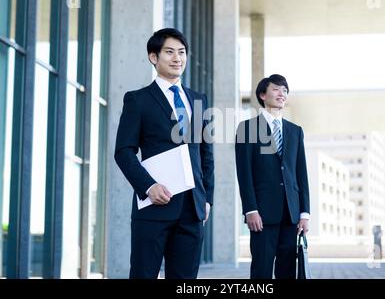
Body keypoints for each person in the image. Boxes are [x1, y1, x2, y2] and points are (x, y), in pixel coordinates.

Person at [114, 28, 214, 279]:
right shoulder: (138, 100)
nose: (177, 58)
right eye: (169, 52)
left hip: (192, 209)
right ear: (153, 57)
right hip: (155, 207)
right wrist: (148, 186)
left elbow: (206, 155)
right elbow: (123, 152)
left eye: (181, 52)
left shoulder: (198, 100)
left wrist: (207, 198)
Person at [235, 74, 310, 279]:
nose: (282, 94)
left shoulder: (296, 131)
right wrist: (251, 209)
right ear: (262, 95)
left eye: (285, 90)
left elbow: (301, 174)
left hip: (291, 215)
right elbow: (244, 174)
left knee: (287, 271)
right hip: (262, 214)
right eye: (276, 89)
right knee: (261, 270)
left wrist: (304, 214)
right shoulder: (247, 128)